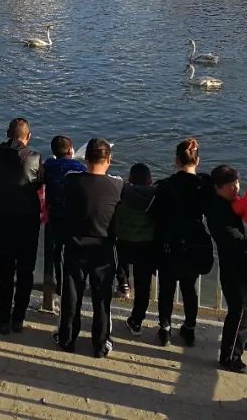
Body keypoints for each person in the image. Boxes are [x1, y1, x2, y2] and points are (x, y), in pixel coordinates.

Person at [54, 139, 123, 358]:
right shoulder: (118, 185)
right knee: (102, 298)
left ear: (85, 159)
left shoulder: (71, 181)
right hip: (103, 249)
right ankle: (101, 343)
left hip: (74, 246)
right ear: (109, 160)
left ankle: (67, 338)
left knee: (71, 295)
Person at [148, 137, 214, 347]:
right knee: (189, 288)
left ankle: (165, 329)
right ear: (198, 160)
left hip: (169, 243)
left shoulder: (166, 186)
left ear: (176, 161)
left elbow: (153, 214)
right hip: (194, 243)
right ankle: (190, 329)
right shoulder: (204, 185)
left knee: (167, 289)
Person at [0, 118, 43, 335]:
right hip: (28, 220)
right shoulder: (35, 158)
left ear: (7, 134)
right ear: (28, 136)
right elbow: (39, 183)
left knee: (6, 268)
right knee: (26, 270)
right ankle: (18, 318)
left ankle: (3, 316)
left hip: (1, 218)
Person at [206, 165, 247, 374]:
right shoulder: (218, 211)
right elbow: (234, 240)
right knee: (238, 309)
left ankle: (245, 340)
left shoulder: (234, 203)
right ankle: (229, 356)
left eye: (237, 182)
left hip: (244, 265)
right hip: (233, 266)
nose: (236, 188)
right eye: (230, 185)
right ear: (218, 188)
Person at [42, 135, 86, 298]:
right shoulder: (79, 167)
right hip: (74, 217)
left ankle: (60, 284)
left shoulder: (49, 165)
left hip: (55, 215)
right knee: (74, 252)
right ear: (70, 150)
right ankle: (73, 285)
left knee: (57, 252)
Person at [116, 163, 157, 335]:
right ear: (150, 180)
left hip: (124, 241)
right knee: (143, 286)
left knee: (119, 261)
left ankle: (123, 284)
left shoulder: (122, 192)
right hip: (147, 245)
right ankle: (136, 321)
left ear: (131, 178)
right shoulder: (156, 195)